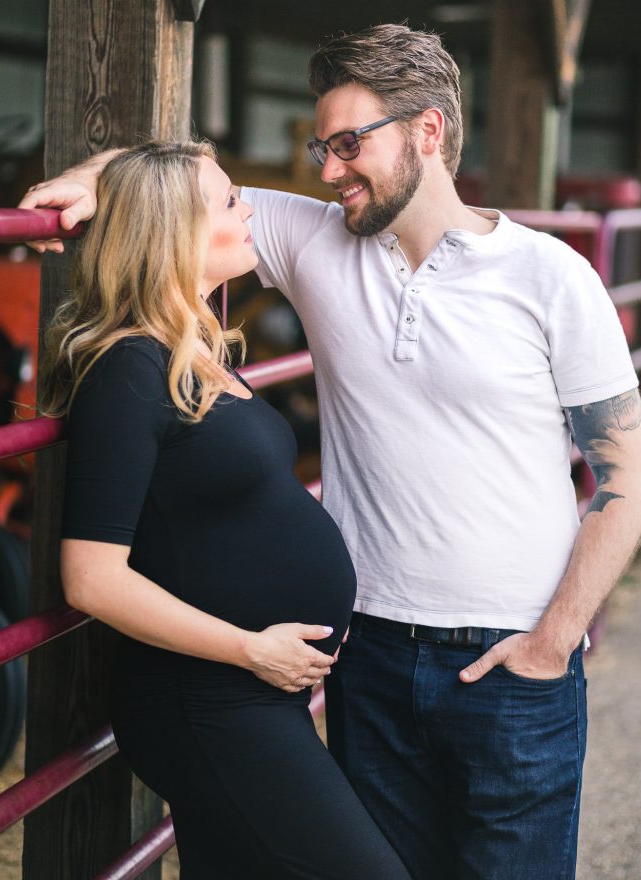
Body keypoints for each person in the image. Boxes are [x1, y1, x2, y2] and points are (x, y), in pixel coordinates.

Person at [24, 25, 641, 880]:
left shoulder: (549, 277)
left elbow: (628, 473)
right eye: (322, 147)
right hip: (370, 660)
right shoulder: (313, 237)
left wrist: (552, 643)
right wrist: (69, 186)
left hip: (510, 661)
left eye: (348, 144)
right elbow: (167, 189)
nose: (327, 170)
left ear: (427, 132)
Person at [37, 140, 411, 880]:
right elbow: (91, 578)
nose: (249, 212)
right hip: (206, 699)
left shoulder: (193, 352)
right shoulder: (129, 371)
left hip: (247, 697)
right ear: (174, 230)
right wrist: (250, 649)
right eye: (231, 202)